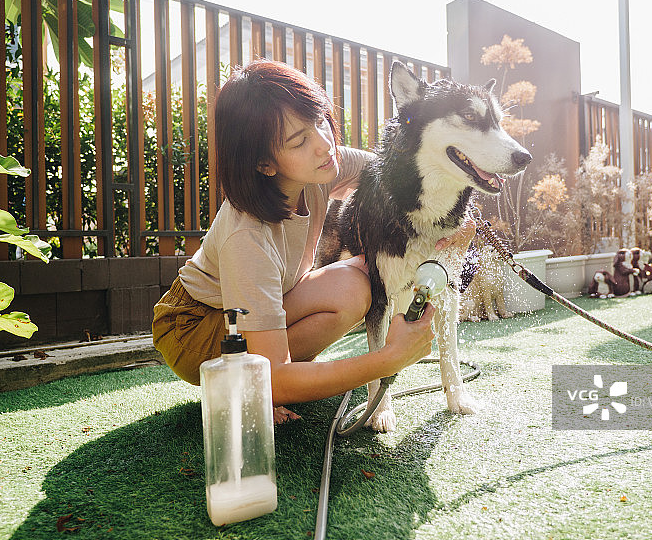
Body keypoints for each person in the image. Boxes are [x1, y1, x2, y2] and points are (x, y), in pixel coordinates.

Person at [152, 60, 471, 423]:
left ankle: (275, 373)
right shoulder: (247, 235)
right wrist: (388, 359)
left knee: (360, 280)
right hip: (194, 327)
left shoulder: (322, 167)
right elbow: (274, 377)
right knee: (343, 299)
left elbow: (402, 177)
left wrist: (450, 221)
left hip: (252, 307)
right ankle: (245, 383)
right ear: (264, 164)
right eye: (299, 140)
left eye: (319, 121)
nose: (323, 144)